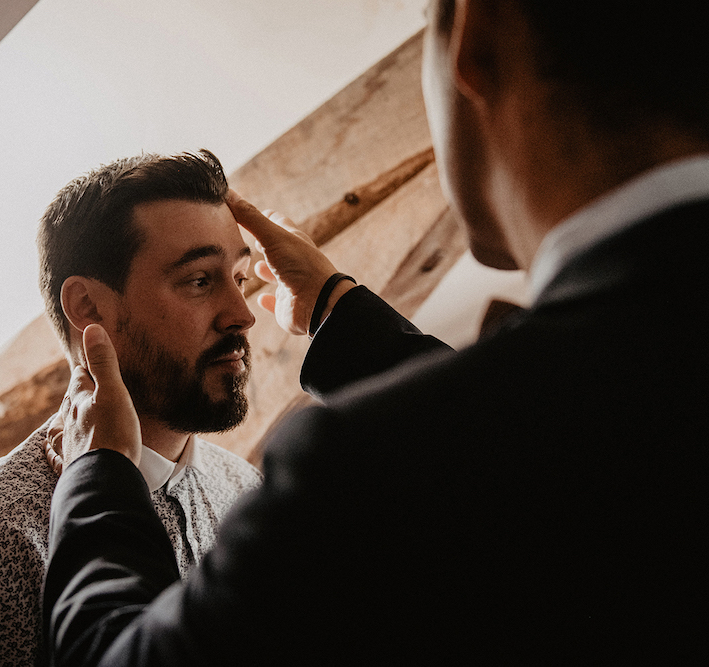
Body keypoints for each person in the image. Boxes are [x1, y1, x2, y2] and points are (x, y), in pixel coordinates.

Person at [41, 0, 709, 664]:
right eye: (197, 278)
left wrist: (98, 477)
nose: (241, 311)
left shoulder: (371, 473)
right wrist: (336, 306)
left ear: (473, 37)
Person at [0, 150, 263, 665]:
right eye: (200, 280)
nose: (242, 314)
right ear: (88, 308)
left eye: (241, 277)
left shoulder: (247, 493)